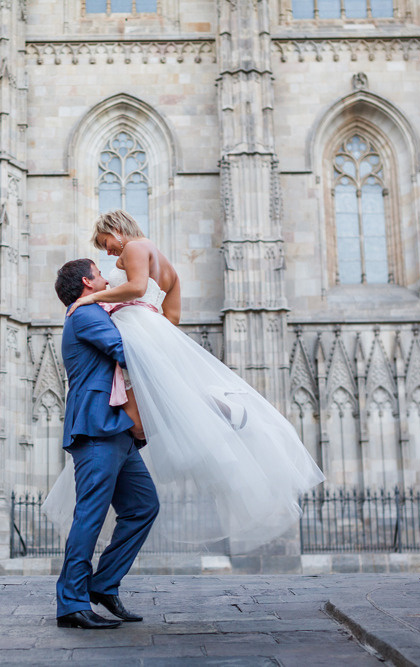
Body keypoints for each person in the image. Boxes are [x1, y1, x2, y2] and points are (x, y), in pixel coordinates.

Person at [45, 210, 325, 553]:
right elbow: (172, 315)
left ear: (116, 230)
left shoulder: (135, 247)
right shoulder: (164, 264)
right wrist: (153, 324)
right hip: (156, 327)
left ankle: (210, 411)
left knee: (148, 403)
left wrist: (95, 298)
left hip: (140, 331)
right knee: (160, 400)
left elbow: (134, 287)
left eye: (107, 244)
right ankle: (215, 409)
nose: (110, 254)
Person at [52, 258, 159, 630]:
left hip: (118, 430)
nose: (106, 279)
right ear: (87, 281)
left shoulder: (94, 310)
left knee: (143, 506)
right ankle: (71, 603)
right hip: (97, 429)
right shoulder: (84, 313)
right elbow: (125, 350)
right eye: (99, 274)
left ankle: (102, 584)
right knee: (90, 516)